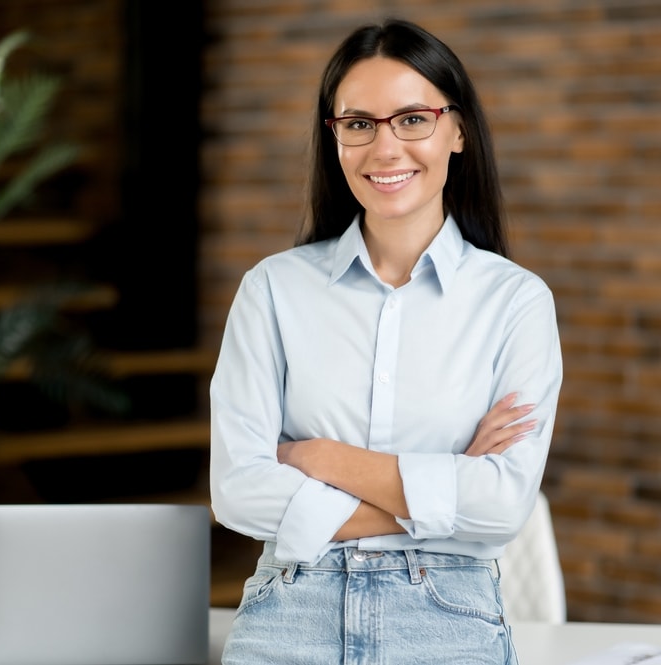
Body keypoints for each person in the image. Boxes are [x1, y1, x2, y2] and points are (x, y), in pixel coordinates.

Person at [209, 17, 562, 665]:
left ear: (457, 130)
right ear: (335, 138)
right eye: (359, 123)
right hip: (291, 605)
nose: (385, 146)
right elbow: (238, 491)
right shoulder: (273, 290)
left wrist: (319, 455)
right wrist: (446, 483)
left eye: (412, 119)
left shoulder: (515, 301)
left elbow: (503, 504)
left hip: (448, 614)